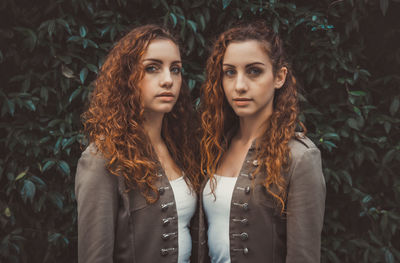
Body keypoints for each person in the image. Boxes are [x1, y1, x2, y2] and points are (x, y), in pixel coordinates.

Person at [198, 22, 326, 263]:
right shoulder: (215, 147)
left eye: (254, 71)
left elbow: (304, 257)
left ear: (279, 77)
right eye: (229, 72)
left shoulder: (300, 157)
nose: (239, 86)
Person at [75, 24, 200, 263]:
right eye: (152, 68)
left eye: (175, 69)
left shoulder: (180, 148)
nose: (168, 80)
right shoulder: (103, 159)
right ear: (127, 77)